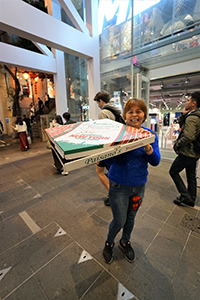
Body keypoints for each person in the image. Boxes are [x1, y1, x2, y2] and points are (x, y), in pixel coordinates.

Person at [102, 98, 161, 264]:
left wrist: (147, 146)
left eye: (139, 111)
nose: (134, 115)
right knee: (119, 220)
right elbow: (109, 162)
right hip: (118, 186)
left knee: (131, 219)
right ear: (125, 115)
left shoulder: (150, 135)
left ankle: (125, 241)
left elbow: (155, 161)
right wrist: (114, 150)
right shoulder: (118, 134)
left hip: (139, 186)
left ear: (144, 115)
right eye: (130, 112)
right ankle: (109, 242)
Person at [169, 91, 200, 207]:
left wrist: (177, 144)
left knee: (173, 171)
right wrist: (183, 115)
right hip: (195, 152)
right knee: (191, 174)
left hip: (188, 152)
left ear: (194, 103)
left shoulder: (192, 118)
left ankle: (185, 195)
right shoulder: (196, 116)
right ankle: (191, 198)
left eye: (188, 100)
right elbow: (182, 125)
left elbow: (188, 136)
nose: (186, 102)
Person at [94, 91, 123, 206]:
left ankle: (113, 194)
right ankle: (117, 193)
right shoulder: (115, 111)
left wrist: (99, 154)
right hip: (117, 147)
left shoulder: (103, 113)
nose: (98, 105)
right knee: (112, 171)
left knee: (99, 171)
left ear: (101, 101)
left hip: (109, 149)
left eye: (97, 103)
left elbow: (104, 136)